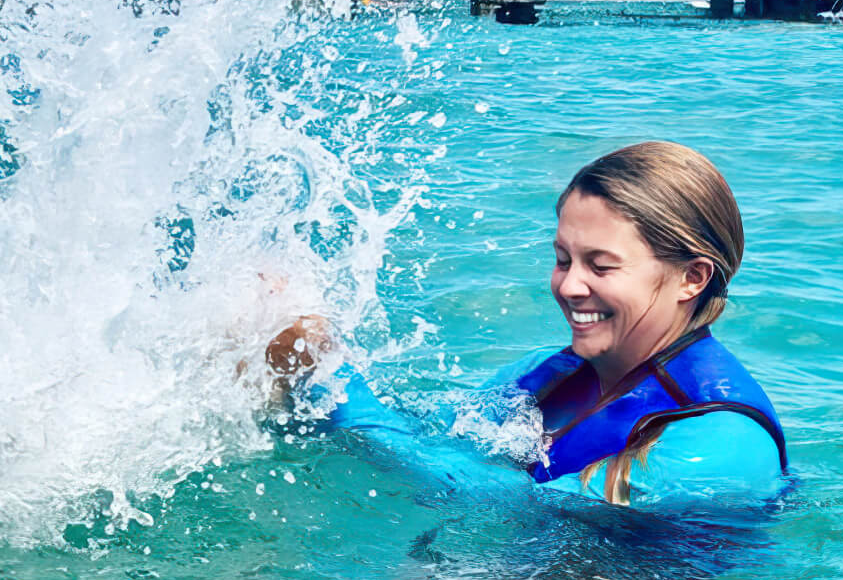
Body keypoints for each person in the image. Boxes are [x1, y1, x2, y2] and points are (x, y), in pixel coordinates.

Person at [274, 141, 789, 511]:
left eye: (601, 266)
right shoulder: (550, 374)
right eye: (563, 259)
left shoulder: (722, 442)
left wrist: (327, 371)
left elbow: (514, 506)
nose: (568, 287)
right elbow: (433, 438)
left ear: (691, 278)